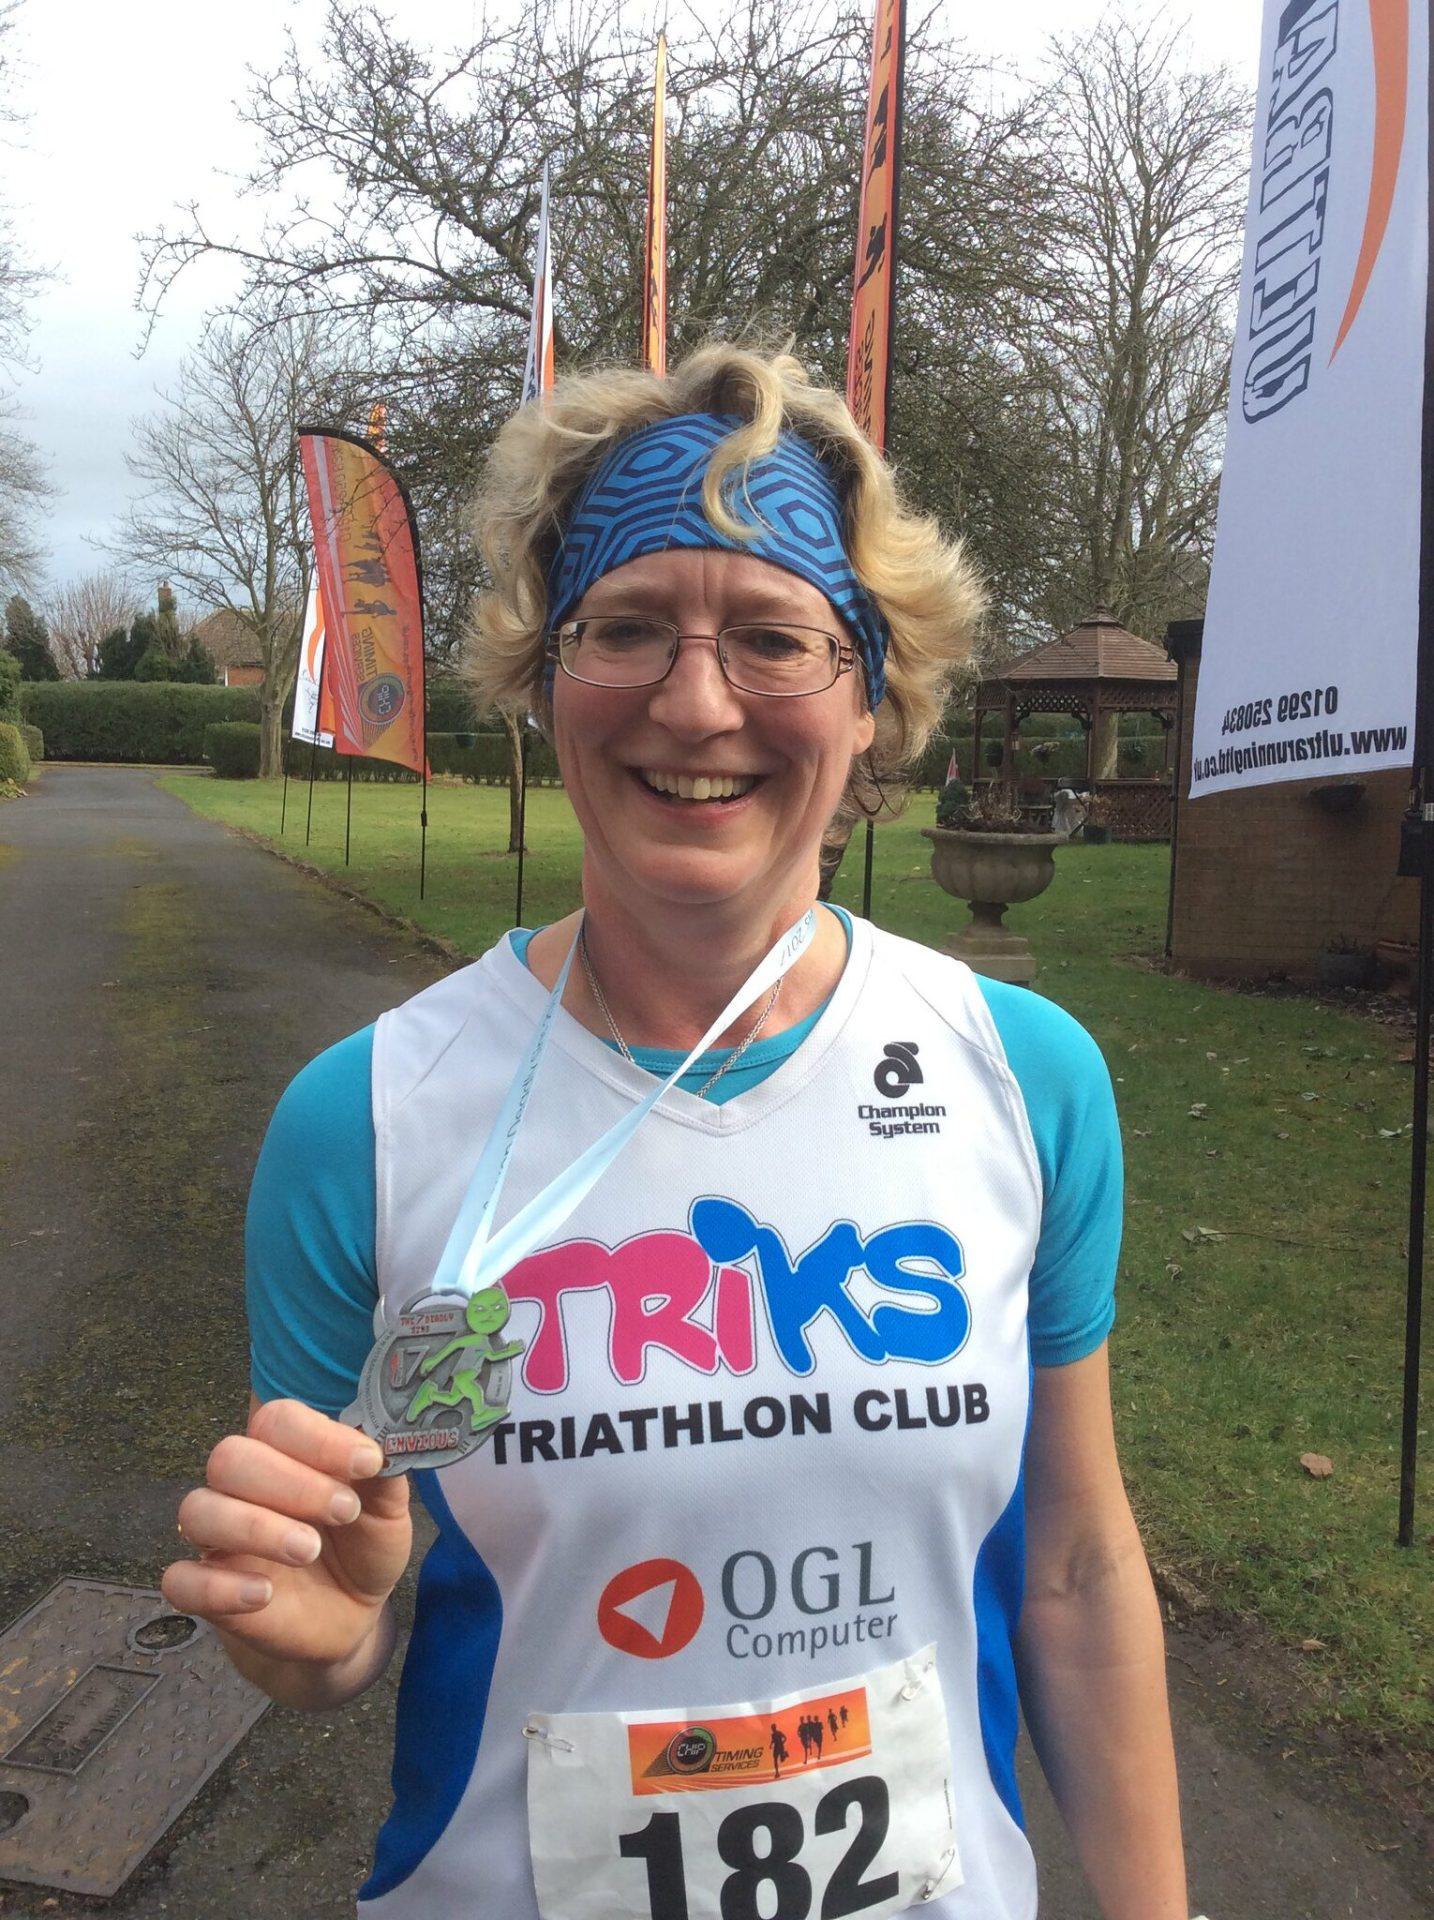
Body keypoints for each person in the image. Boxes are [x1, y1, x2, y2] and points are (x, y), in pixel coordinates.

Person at [163, 343, 1192, 1919]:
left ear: (870, 701)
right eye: (627, 627)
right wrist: (301, 1636)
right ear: (547, 678)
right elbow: (331, 1601)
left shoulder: (1020, 1076)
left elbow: (1073, 1567)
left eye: (775, 639)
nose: (695, 702)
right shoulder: (364, 1117)